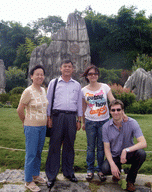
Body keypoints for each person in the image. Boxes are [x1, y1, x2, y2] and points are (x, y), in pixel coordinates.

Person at [46, 59, 83, 189]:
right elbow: (48, 101)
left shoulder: (77, 85)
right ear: (60, 69)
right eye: (65, 66)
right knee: (54, 145)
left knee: (69, 145)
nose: (67, 68)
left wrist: (79, 119)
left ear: (73, 69)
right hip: (57, 116)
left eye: (69, 67)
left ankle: (68, 172)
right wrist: (48, 117)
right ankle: (51, 175)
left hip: (71, 117)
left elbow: (79, 103)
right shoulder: (54, 83)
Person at [102, 99, 147, 192]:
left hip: (128, 154)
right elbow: (106, 149)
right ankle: (117, 171)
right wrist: (112, 165)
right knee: (105, 169)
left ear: (123, 111)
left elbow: (143, 143)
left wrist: (125, 150)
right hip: (115, 155)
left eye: (118, 110)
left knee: (141, 154)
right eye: (113, 110)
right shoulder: (105, 127)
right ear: (110, 112)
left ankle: (130, 180)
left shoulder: (132, 122)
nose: (116, 112)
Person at [81, 65, 115, 182]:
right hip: (90, 121)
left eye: (95, 73)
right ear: (87, 76)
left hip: (104, 122)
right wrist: (83, 122)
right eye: (90, 74)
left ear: (98, 75)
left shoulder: (105, 87)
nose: (93, 76)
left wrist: (121, 113)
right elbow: (84, 107)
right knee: (90, 147)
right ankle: (90, 170)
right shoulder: (84, 90)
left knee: (101, 147)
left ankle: (100, 170)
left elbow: (112, 101)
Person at [17, 65, 48, 192]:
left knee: (38, 153)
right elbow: (19, 109)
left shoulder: (43, 90)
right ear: (31, 76)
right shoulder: (28, 91)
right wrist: (25, 121)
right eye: (37, 74)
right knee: (31, 154)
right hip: (32, 127)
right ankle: (28, 180)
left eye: (42, 74)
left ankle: (35, 175)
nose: (40, 76)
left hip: (42, 127)